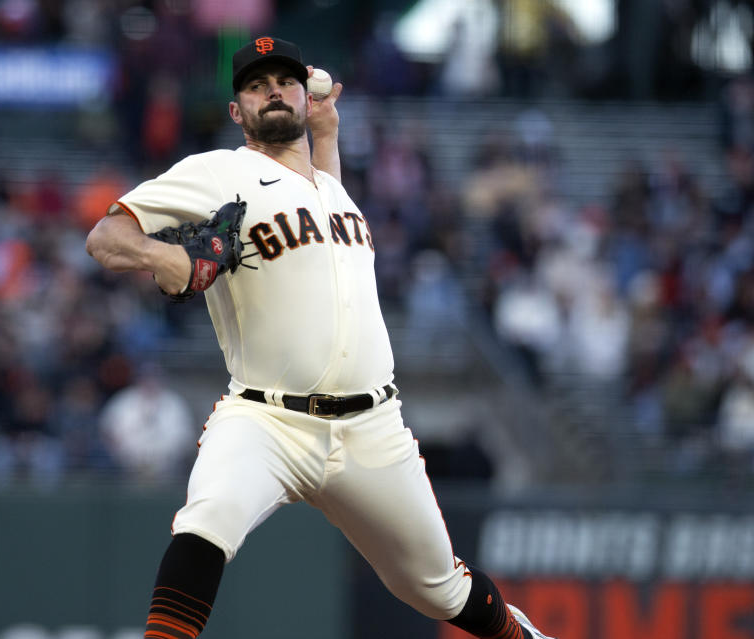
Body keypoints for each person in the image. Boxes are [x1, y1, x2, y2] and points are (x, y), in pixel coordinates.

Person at [86, 36, 555, 639]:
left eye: (283, 80)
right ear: (238, 112)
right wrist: (164, 256)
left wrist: (327, 133)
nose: (272, 91)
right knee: (207, 521)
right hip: (265, 418)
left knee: (440, 588)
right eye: (256, 85)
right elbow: (105, 236)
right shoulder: (219, 171)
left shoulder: (334, 192)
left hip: (372, 427)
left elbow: (319, 199)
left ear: (304, 96)